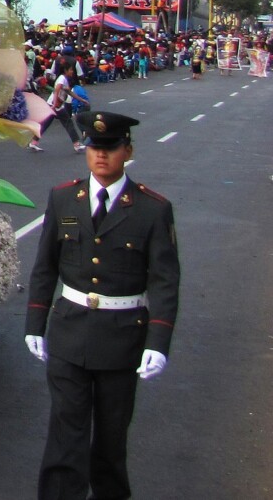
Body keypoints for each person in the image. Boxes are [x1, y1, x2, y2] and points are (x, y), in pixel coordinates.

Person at [25, 111, 179, 500]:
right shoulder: (63, 198)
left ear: (128, 151)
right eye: (95, 147)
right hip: (69, 333)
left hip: (121, 338)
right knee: (66, 434)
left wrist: (158, 343)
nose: (101, 155)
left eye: (110, 148)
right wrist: (34, 324)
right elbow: (45, 266)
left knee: (111, 440)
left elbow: (164, 280)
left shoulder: (152, 209)